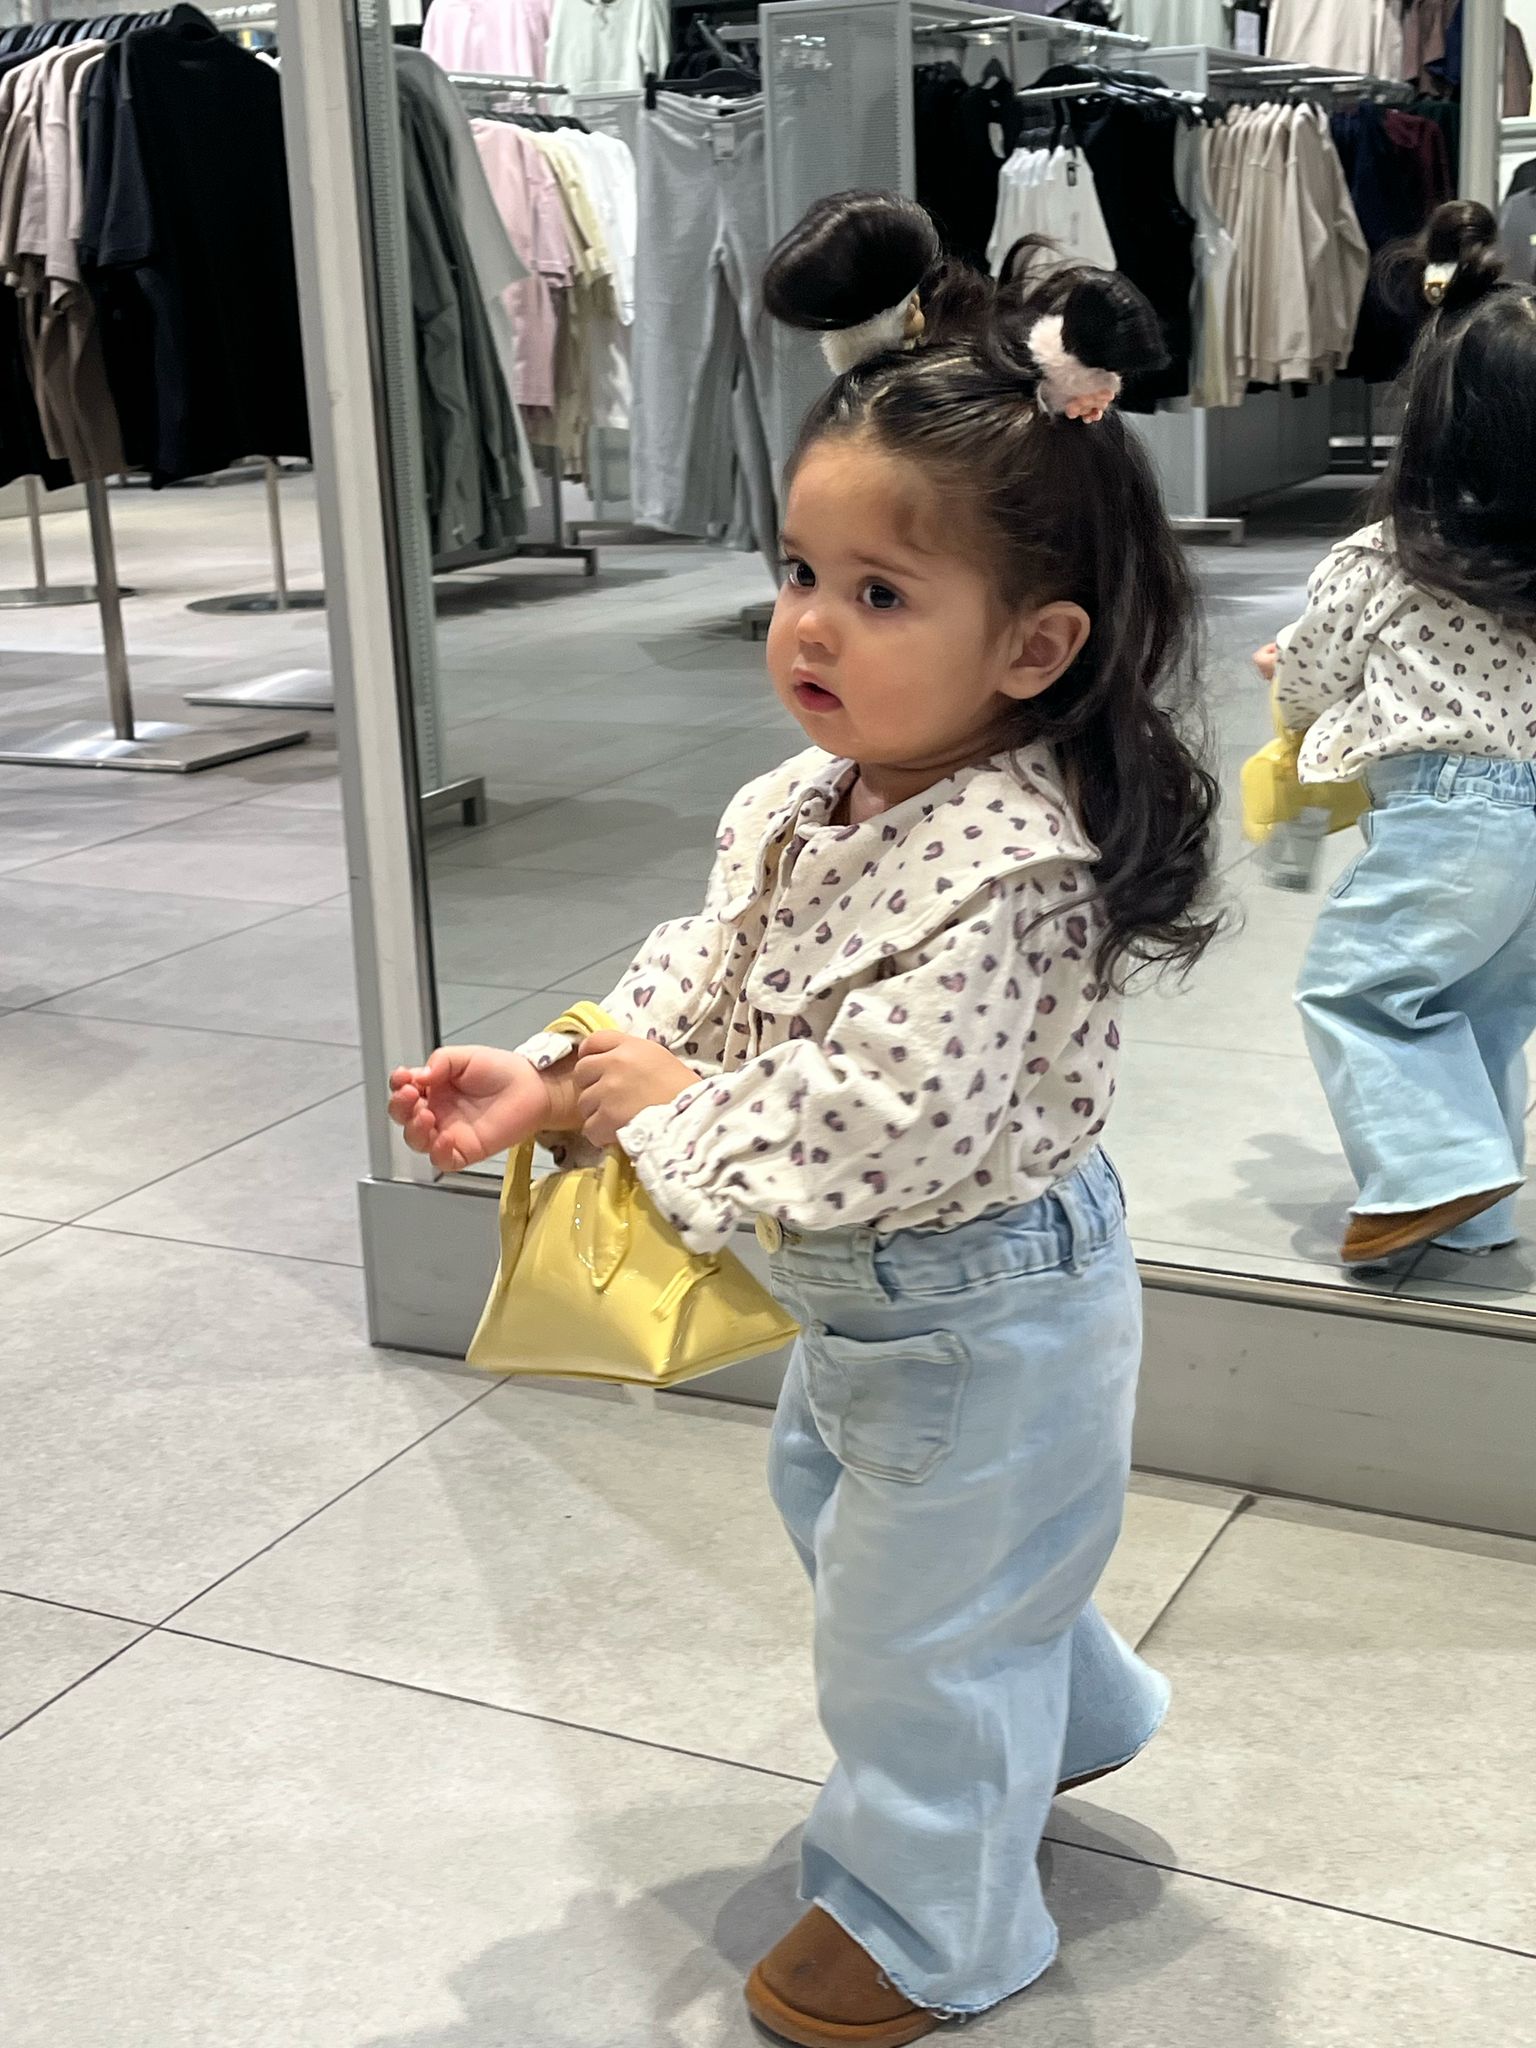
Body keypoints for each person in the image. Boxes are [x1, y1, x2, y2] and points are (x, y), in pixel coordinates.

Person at [388, 192, 1218, 2046]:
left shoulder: (1012, 863)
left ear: (1033, 647)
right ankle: (1066, 1712)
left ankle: (936, 1920)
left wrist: (671, 1109)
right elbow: (706, 974)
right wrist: (563, 1076)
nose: (810, 626)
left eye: (879, 594)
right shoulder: (807, 798)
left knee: (912, 1623)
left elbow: (889, 1119)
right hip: (881, 1315)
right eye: (796, 571)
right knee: (865, 1525)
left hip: (988, 1309)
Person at [1256, 200, 1536, 1269]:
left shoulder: (1384, 557)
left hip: (1447, 821)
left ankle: (1431, 1175)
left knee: (1358, 990)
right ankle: (1475, 1212)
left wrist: (1290, 689)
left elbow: (1314, 677)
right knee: (1482, 1014)